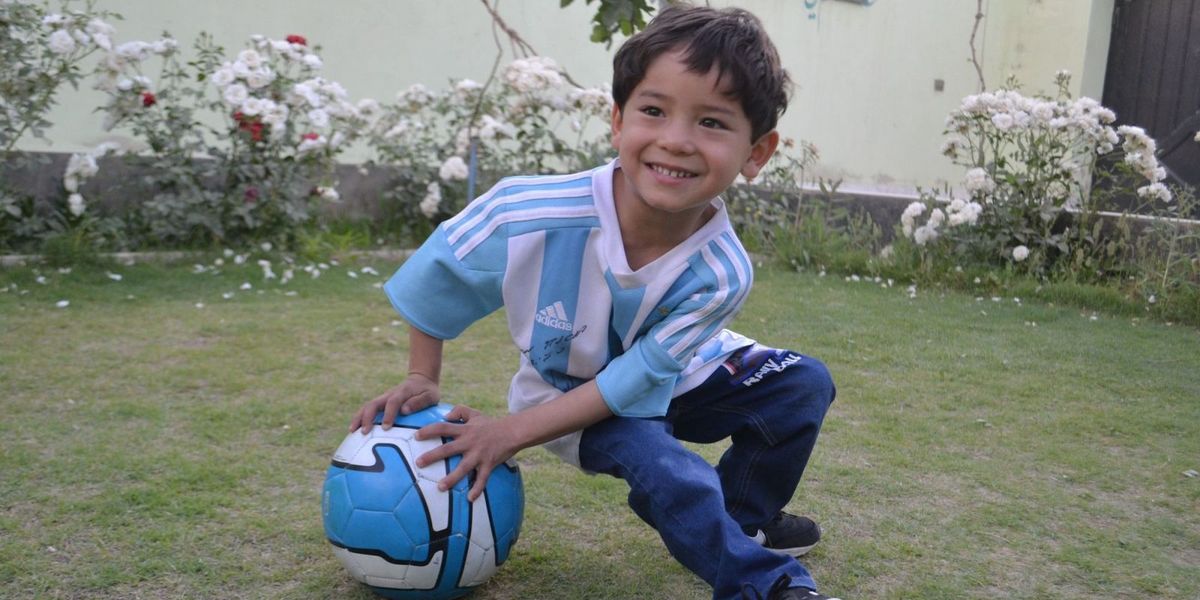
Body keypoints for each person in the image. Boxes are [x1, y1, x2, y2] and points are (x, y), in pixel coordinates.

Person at [350, 4, 840, 599]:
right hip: (562, 397)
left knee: (802, 384)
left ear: (757, 153)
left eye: (712, 122)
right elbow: (443, 271)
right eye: (654, 111)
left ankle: (739, 523)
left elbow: (641, 376)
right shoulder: (530, 211)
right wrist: (421, 376)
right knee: (667, 468)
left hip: (670, 378)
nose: (676, 140)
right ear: (617, 120)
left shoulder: (723, 270)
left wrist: (506, 434)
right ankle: (769, 585)